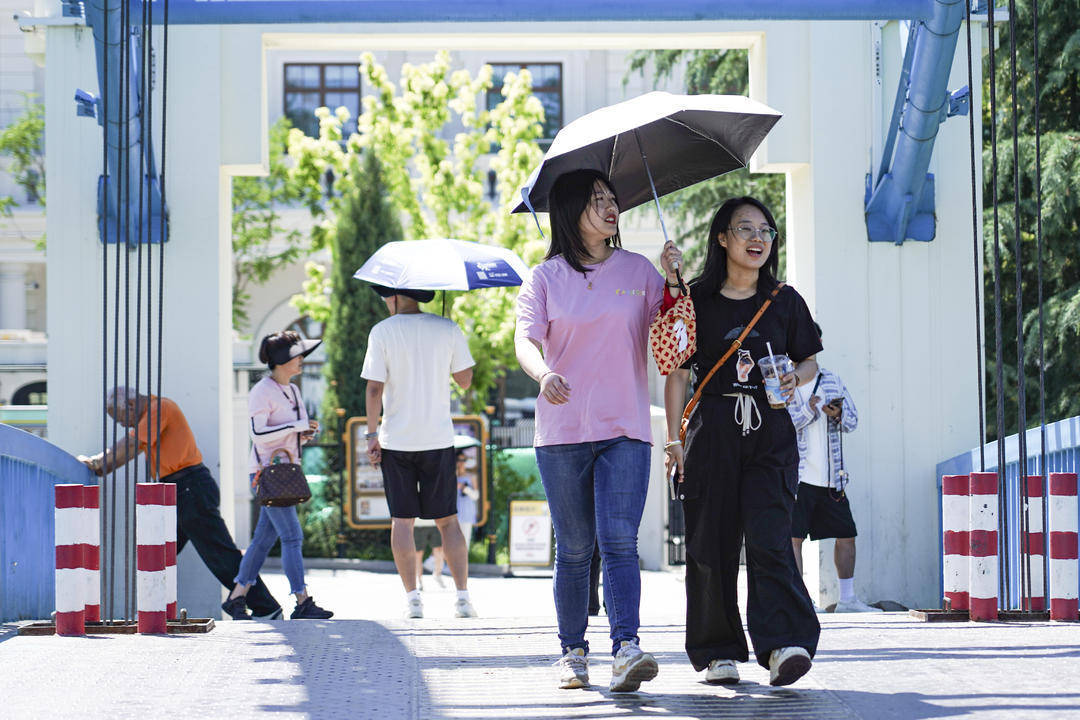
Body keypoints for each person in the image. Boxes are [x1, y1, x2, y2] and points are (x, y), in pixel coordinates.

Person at [514, 168, 682, 692]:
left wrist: (675, 281)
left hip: (625, 428)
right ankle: (572, 652)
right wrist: (544, 375)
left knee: (619, 541)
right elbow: (524, 341)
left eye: (612, 198)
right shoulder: (544, 278)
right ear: (569, 213)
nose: (610, 207)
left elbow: (675, 339)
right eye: (596, 201)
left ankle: (626, 647)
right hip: (562, 432)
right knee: (576, 547)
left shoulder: (640, 271)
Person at [663, 196, 821, 688]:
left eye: (766, 231)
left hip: (771, 435)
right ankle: (717, 652)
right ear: (722, 238)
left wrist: (797, 375)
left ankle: (783, 645)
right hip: (712, 436)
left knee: (772, 539)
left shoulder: (784, 300)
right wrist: (673, 440)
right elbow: (674, 371)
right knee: (711, 545)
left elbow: (810, 359)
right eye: (745, 228)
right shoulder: (695, 299)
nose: (758, 238)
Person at [80, 387, 284, 620]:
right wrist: (99, 468)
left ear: (130, 406)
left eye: (121, 419)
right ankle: (154, 611)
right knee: (159, 551)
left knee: (218, 552)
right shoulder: (152, 415)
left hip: (189, 488)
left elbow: (130, 445)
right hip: (181, 489)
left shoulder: (160, 408)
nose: (124, 425)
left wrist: (97, 463)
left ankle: (266, 607)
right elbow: (128, 449)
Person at [361, 285, 478, 620]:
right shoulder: (447, 328)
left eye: (385, 296)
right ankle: (463, 599)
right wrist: (447, 347)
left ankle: (413, 599)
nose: (384, 302)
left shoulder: (382, 332)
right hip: (438, 438)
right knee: (448, 521)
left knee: (402, 521)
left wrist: (372, 434)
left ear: (395, 297)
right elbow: (466, 379)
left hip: (396, 440)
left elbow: (373, 387)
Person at [221, 331, 333, 621]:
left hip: (285, 471)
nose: (302, 361)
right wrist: (295, 426)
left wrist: (303, 434)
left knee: (262, 540)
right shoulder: (262, 391)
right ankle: (303, 600)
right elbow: (257, 433)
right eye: (298, 356)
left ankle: (236, 598)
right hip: (266, 475)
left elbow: (285, 433)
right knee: (292, 536)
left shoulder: (292, 390)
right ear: (283, 360)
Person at [788, 323, 879, 613]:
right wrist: (810, 409)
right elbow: (783, 426)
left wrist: (837, 414)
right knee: (794, 538)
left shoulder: (832, 380)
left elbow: (852, 421)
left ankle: (848, 599)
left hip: (832, 476)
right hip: (798, 475)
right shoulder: (784, 381)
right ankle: (801, 601)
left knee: (846, 534)